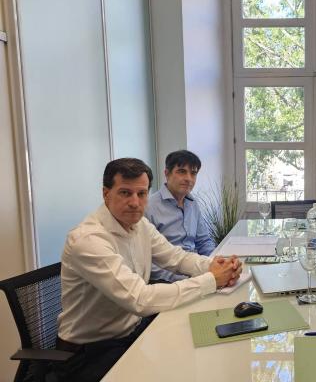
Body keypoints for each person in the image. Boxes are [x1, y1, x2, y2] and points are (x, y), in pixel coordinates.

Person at [55, 158, 242, 381]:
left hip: (130, 334)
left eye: (142, 193)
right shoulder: (88, 240)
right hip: (89, 353)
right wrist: (212, 280)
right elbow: (141, 299)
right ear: (106, 194)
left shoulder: (140, 224)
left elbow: (176, 258)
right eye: (125, 193)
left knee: (194, 358)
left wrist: (214, 266)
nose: (135, 202)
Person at [145, 150, 216, 282]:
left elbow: (204, 241)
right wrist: (183, 278)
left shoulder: (192, 203)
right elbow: (147, 261)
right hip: (168, 281)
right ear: (167, 173)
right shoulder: (149, 207)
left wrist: (216, 262)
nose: (188, 178)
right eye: (182, 171)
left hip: (196, 271)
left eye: (193, 173)